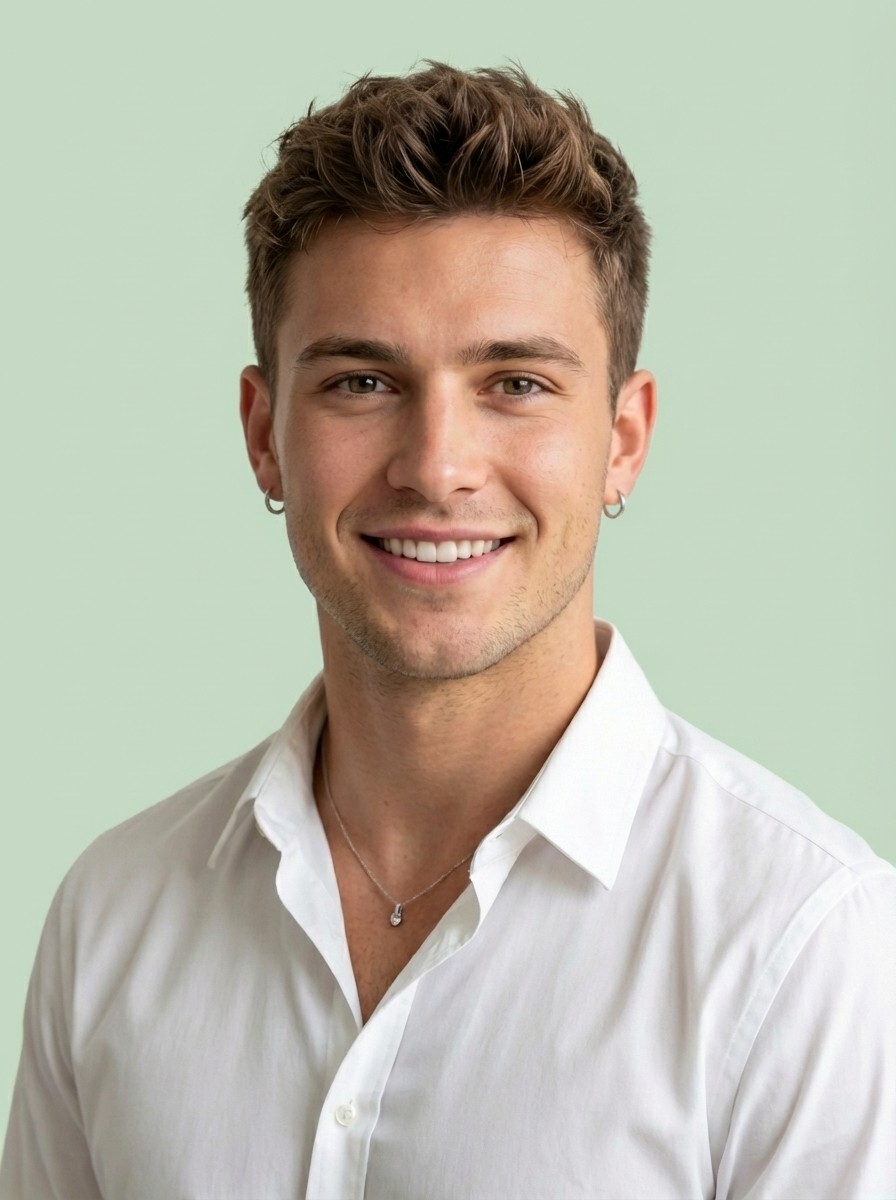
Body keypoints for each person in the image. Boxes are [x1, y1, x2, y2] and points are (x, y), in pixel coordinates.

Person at [2, 62, 894, 1200]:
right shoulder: (112, 916)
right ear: (263, 433)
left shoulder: (805, 946)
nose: (436, 466)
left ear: (621, 439)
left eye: (515, 383)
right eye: (362, 382)